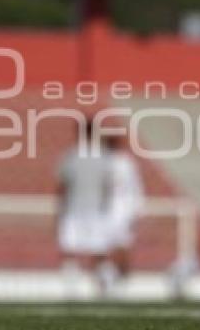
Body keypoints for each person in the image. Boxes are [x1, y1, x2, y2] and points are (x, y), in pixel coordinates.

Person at [56, 120, 113, 294]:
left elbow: (62, 188)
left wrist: (59, 211)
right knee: (99, 252)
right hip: (96, 211)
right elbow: (108, 187)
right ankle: (104, 288)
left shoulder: (71, 156)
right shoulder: (103, 157)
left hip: (74, 211)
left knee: (70, 251)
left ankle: (71, 288)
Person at [103, 130, 145, 280]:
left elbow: (135, 186)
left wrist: (137, 208)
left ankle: (123, 274)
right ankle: (110, 275)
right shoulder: (107, 162)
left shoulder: (125, 163)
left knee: (121, 243)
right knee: (112, 243)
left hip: (120, 208)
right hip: (112, 208)